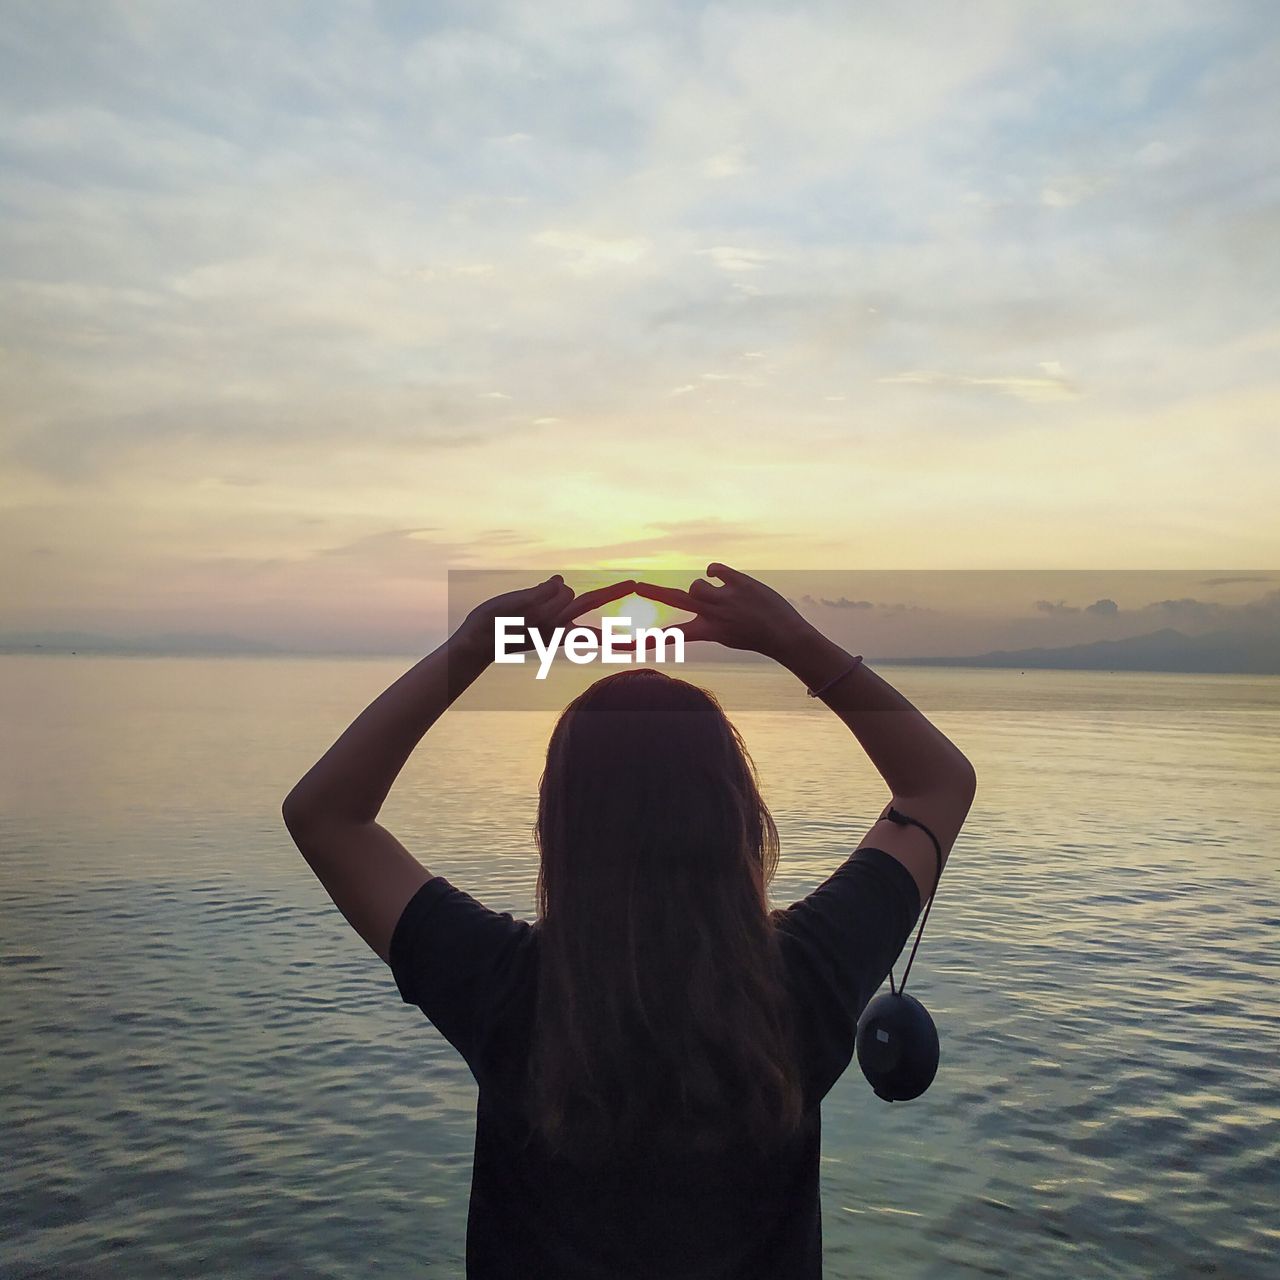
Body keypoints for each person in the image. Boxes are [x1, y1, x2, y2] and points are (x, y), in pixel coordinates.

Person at [282, 564, 977, 1278]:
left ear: (558, 825)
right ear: (738, 816)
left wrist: (476, 646)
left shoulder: (503, 984)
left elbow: (325, 816)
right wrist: (791, 640)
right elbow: (940, 784)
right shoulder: (806, 975)